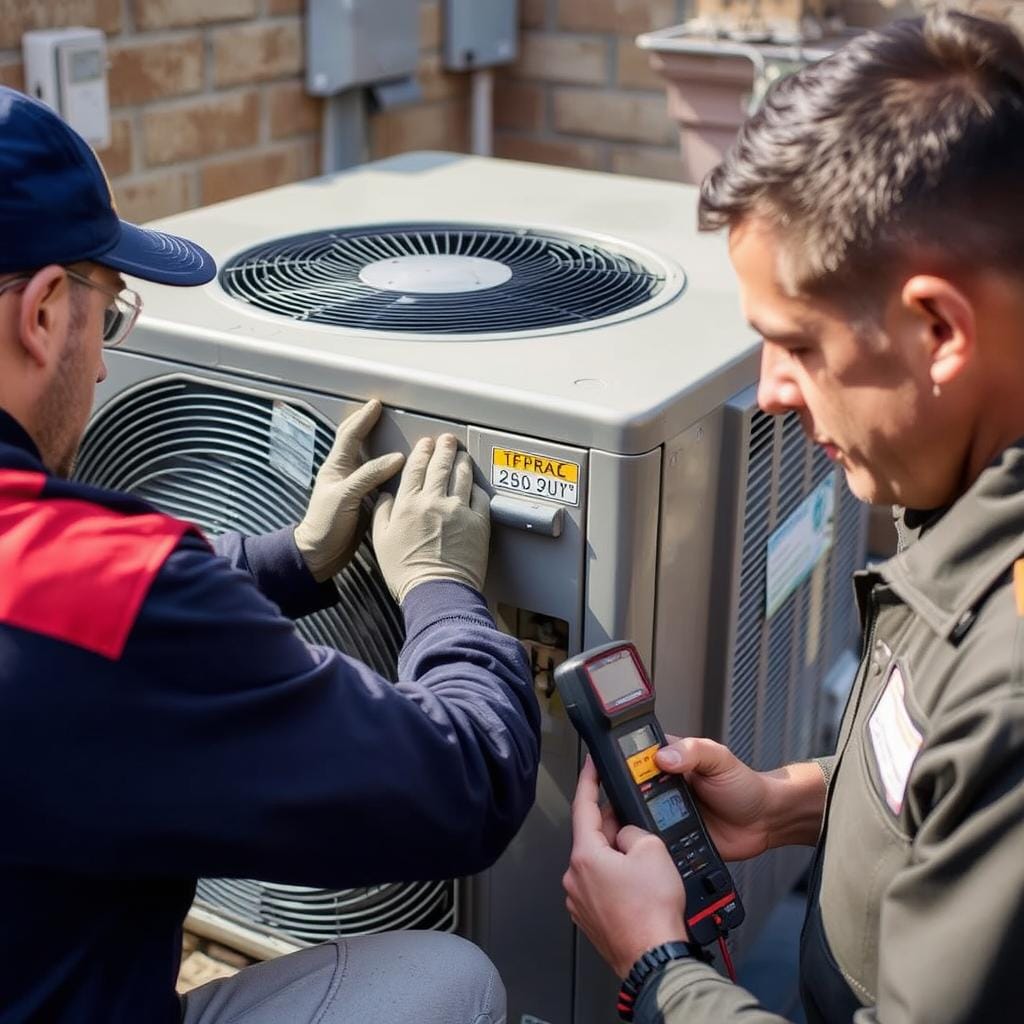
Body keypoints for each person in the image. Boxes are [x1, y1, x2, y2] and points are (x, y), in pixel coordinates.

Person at [0, 87, 540, 1023]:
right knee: (450, 983)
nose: (98, 365)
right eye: (110, 311)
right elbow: (467, 785)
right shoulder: (106, 591)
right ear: (45, 314)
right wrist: (443, 587)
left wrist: (288, 560)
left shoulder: (95, 603)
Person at [563, 10, 1024, 1023]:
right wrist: (791, 807)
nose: (771, 389)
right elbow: (943, 791)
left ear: (940, 328)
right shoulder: (958, 496)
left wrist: (656, 966)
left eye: (799, 344)